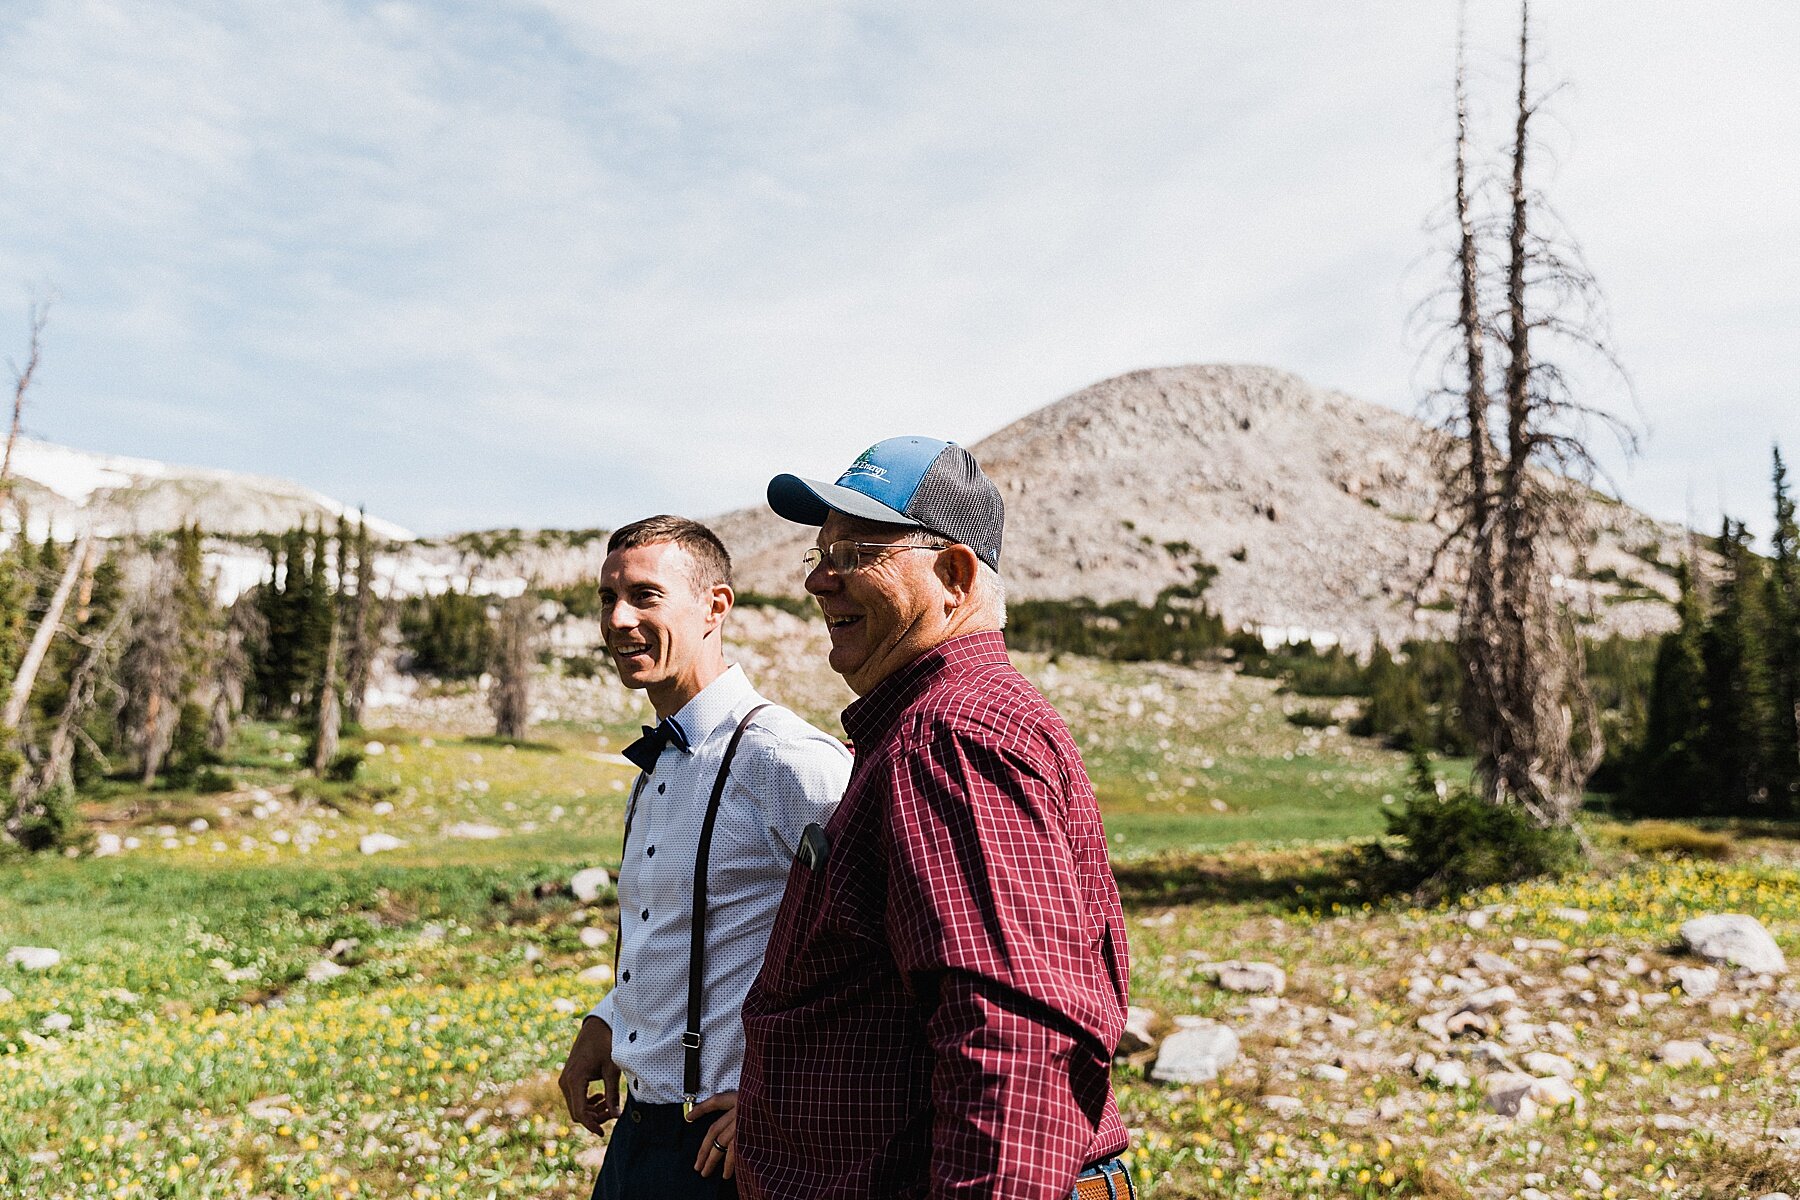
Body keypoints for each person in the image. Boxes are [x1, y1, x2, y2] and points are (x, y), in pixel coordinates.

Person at [734, 438, 1134, 1200]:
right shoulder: (939, 722)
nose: (821, 580)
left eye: (854, 552)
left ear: (953, 576)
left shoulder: (947, 737)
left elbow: (1012, 1049)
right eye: (820, 553)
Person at [559, 515, 852, 1199]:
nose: (619, 619)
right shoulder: (654, 766)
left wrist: (780, 1099)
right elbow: (674, 928)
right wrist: (606, 1019)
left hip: (732, 1148)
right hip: (640, 1133)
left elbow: (874, 957)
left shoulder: (788, 760)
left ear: (715, 606)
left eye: (645, 596)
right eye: (608, 598)